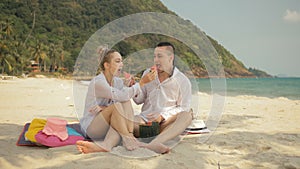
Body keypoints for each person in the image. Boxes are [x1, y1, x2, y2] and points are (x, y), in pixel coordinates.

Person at [76, 46, 156, 154]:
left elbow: (124, 97)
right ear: (107, 65)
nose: (121, 64)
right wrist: (141, 83)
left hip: (107, 124)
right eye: (117, 61)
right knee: (118, 106)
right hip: (92, 127)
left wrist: (129, 85)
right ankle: (129, 138)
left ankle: (108, 144)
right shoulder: (98, 82)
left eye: (121, 61)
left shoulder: (117, 82)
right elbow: (120, 98)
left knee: (124, 103)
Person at [133, 42, 193, 154]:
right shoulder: (148, 73)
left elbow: (184, 107)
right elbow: (139, 100)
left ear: (171, 58)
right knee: (123, 121)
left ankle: (155, 143)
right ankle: (143, 138)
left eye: (160, 56)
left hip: (165, 124)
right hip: (145, 121)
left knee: (187, 114)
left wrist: (162, 116)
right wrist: (137, 86)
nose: (156, 60)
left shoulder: (182, 80)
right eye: (154, 56)